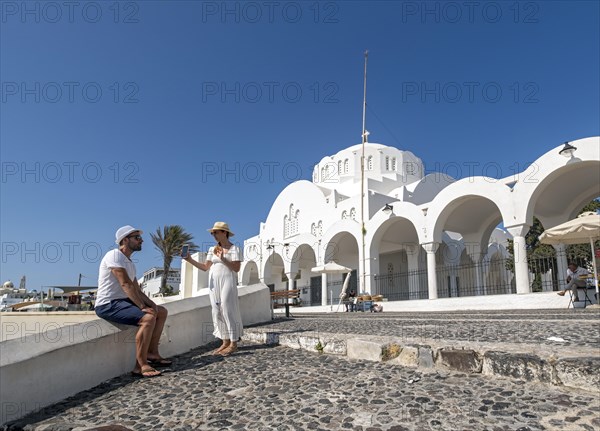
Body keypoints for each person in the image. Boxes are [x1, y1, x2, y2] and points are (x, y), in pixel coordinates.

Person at [95, 226, 170, 378]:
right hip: (107, 304)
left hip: (122, 302)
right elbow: (126, 284)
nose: (141, 240)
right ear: (125, 240)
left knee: (161, 312)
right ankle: (140, 365)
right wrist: (143, 307)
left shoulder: (129, 263)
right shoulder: (114, 255)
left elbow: (136, 289)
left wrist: (152, 304)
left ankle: (152, 353)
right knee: (147, 318)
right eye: (137, 237)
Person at [184, 222, 243, 356]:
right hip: (214, 283)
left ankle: (234, 343)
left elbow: (236, 268)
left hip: (228, 280)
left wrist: (223, 258)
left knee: (228, 310)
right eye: (212, 233)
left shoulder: (235, 249)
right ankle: (225, 341)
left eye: (216, 232)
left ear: (224, 232)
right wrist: (189, 260)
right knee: (216, 311)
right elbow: (205, 267)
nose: (213, 235)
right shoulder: (212, 250)